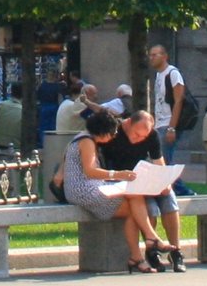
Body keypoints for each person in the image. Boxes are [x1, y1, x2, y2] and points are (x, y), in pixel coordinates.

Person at [62, 107, 167, 272]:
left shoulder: (87, 139)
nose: (113, 137)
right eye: (112, 133)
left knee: (134, 198)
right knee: (134, 204)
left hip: (92, 185)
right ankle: (147, 243)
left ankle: (141, 251)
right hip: (82, 189)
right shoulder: (87, 141)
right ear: (103, 132)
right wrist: (119, 175)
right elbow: (90, 171)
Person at [102, 111, 184, 270]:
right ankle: (152, 252)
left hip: (144, 176)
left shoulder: (151, 135)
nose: (140, 139)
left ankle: (176, 252)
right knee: (150, 206)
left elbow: (158, 159)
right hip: (123, 180)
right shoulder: (115, 132)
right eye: (137, 135)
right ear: (128, 124)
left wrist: (164, 182)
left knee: (169, 200)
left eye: (144, 137)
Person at [147, 44, 188, 162]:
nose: (151, 58)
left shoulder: (173, 73)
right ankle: (172, 181)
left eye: (154, 55)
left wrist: (172, 128)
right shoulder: (159, 74)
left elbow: (179, 100)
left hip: (169, 124)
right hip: (160, 124)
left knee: (163, 162)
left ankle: (175, 181)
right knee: (162, 162)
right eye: (150, 55)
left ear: (165, 56)